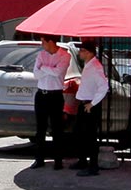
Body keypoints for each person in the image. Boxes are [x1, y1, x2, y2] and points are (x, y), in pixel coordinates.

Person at [31, 35, 71, 170]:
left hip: (55, 95)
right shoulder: (41, 55)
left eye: (43, 41)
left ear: (51, 42)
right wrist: (49, 68)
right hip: (41, 94)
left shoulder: (64, 55)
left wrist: (44, 68)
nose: (42, 44)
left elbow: (58, 72)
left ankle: (58, 161)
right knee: (40, 129)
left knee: (57, 128)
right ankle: (39, 159)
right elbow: (36, 74)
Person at [73, 40, 109, 177]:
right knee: (79, 133)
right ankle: (82, 160)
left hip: (90, 105)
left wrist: (92, 103)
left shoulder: (95, 67)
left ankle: (93, 166)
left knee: (90, 136)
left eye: (82, 50)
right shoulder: (88, 65)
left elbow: (104, 86)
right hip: (84, 103)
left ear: (89, 52)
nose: (79, 53)